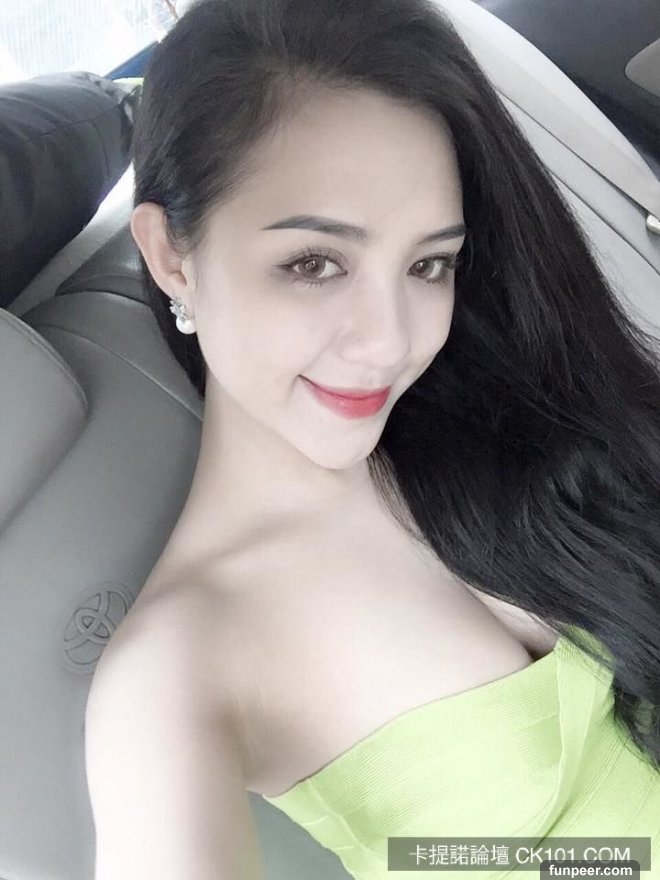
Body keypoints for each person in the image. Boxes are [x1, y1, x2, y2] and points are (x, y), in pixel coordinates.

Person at [83, 0, 660, 877]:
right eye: (314, 264)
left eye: (429, 265)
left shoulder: (502, 415)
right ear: (171, 257)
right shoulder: (176, 671)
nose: (390, 343)